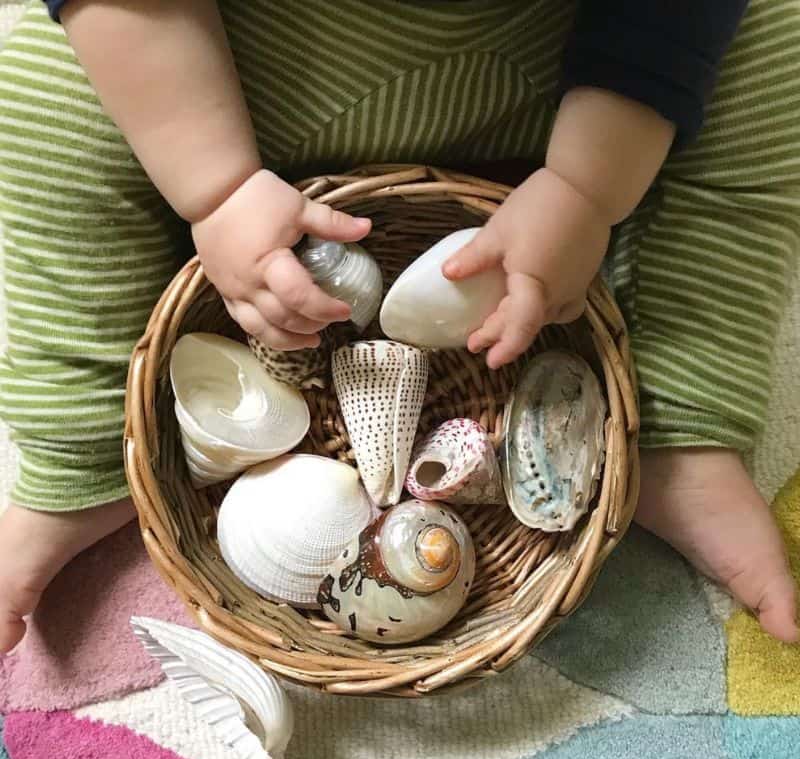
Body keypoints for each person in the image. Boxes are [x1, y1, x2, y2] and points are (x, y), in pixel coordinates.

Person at [0, 0, 797, 655]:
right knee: (43, 93)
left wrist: (589, 188)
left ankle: (679, 422)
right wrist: (214, 188)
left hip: (570, 82)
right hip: (223, 75)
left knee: (774, 43)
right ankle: (80, 452)